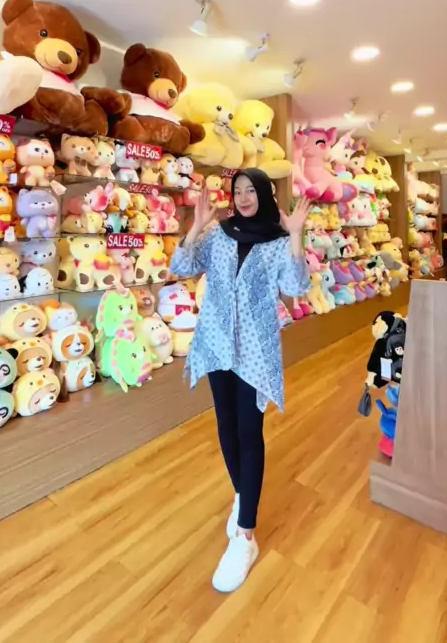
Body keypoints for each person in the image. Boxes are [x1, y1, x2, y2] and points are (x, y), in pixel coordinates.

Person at [170, 168, 310, 593]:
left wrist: (296, 236)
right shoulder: (219, 234)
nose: (244, 197)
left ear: (265, 194)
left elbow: (296, 286)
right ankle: (241, 494)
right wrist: (196, 225)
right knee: (226, 426)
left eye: (252, 190)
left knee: (250, 433)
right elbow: (181, 266)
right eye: (238, 191)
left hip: (254, 351)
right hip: (215, 343)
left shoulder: (278, 241)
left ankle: (246, 536)